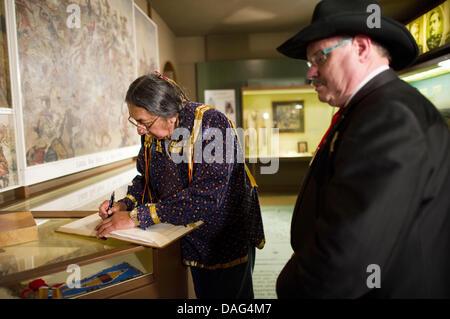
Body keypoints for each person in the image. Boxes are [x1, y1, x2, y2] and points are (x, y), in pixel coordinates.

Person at [276, 0, 450, 298]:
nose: (311, 73)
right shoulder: (371, 107)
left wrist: (290, 284)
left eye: (319, 58)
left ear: (361, 48)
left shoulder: (389, 116)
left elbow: (348, 257)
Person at [95, 72, 265, 299]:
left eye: (143, 122)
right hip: (185, 232)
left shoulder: (212, 124)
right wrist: (126, 204)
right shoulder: (152, 133)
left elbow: (207, 197)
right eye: (135, 121)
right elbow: (146, 179)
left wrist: (137, 217)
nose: (139, 130)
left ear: (170, 115)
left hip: (225, 235)